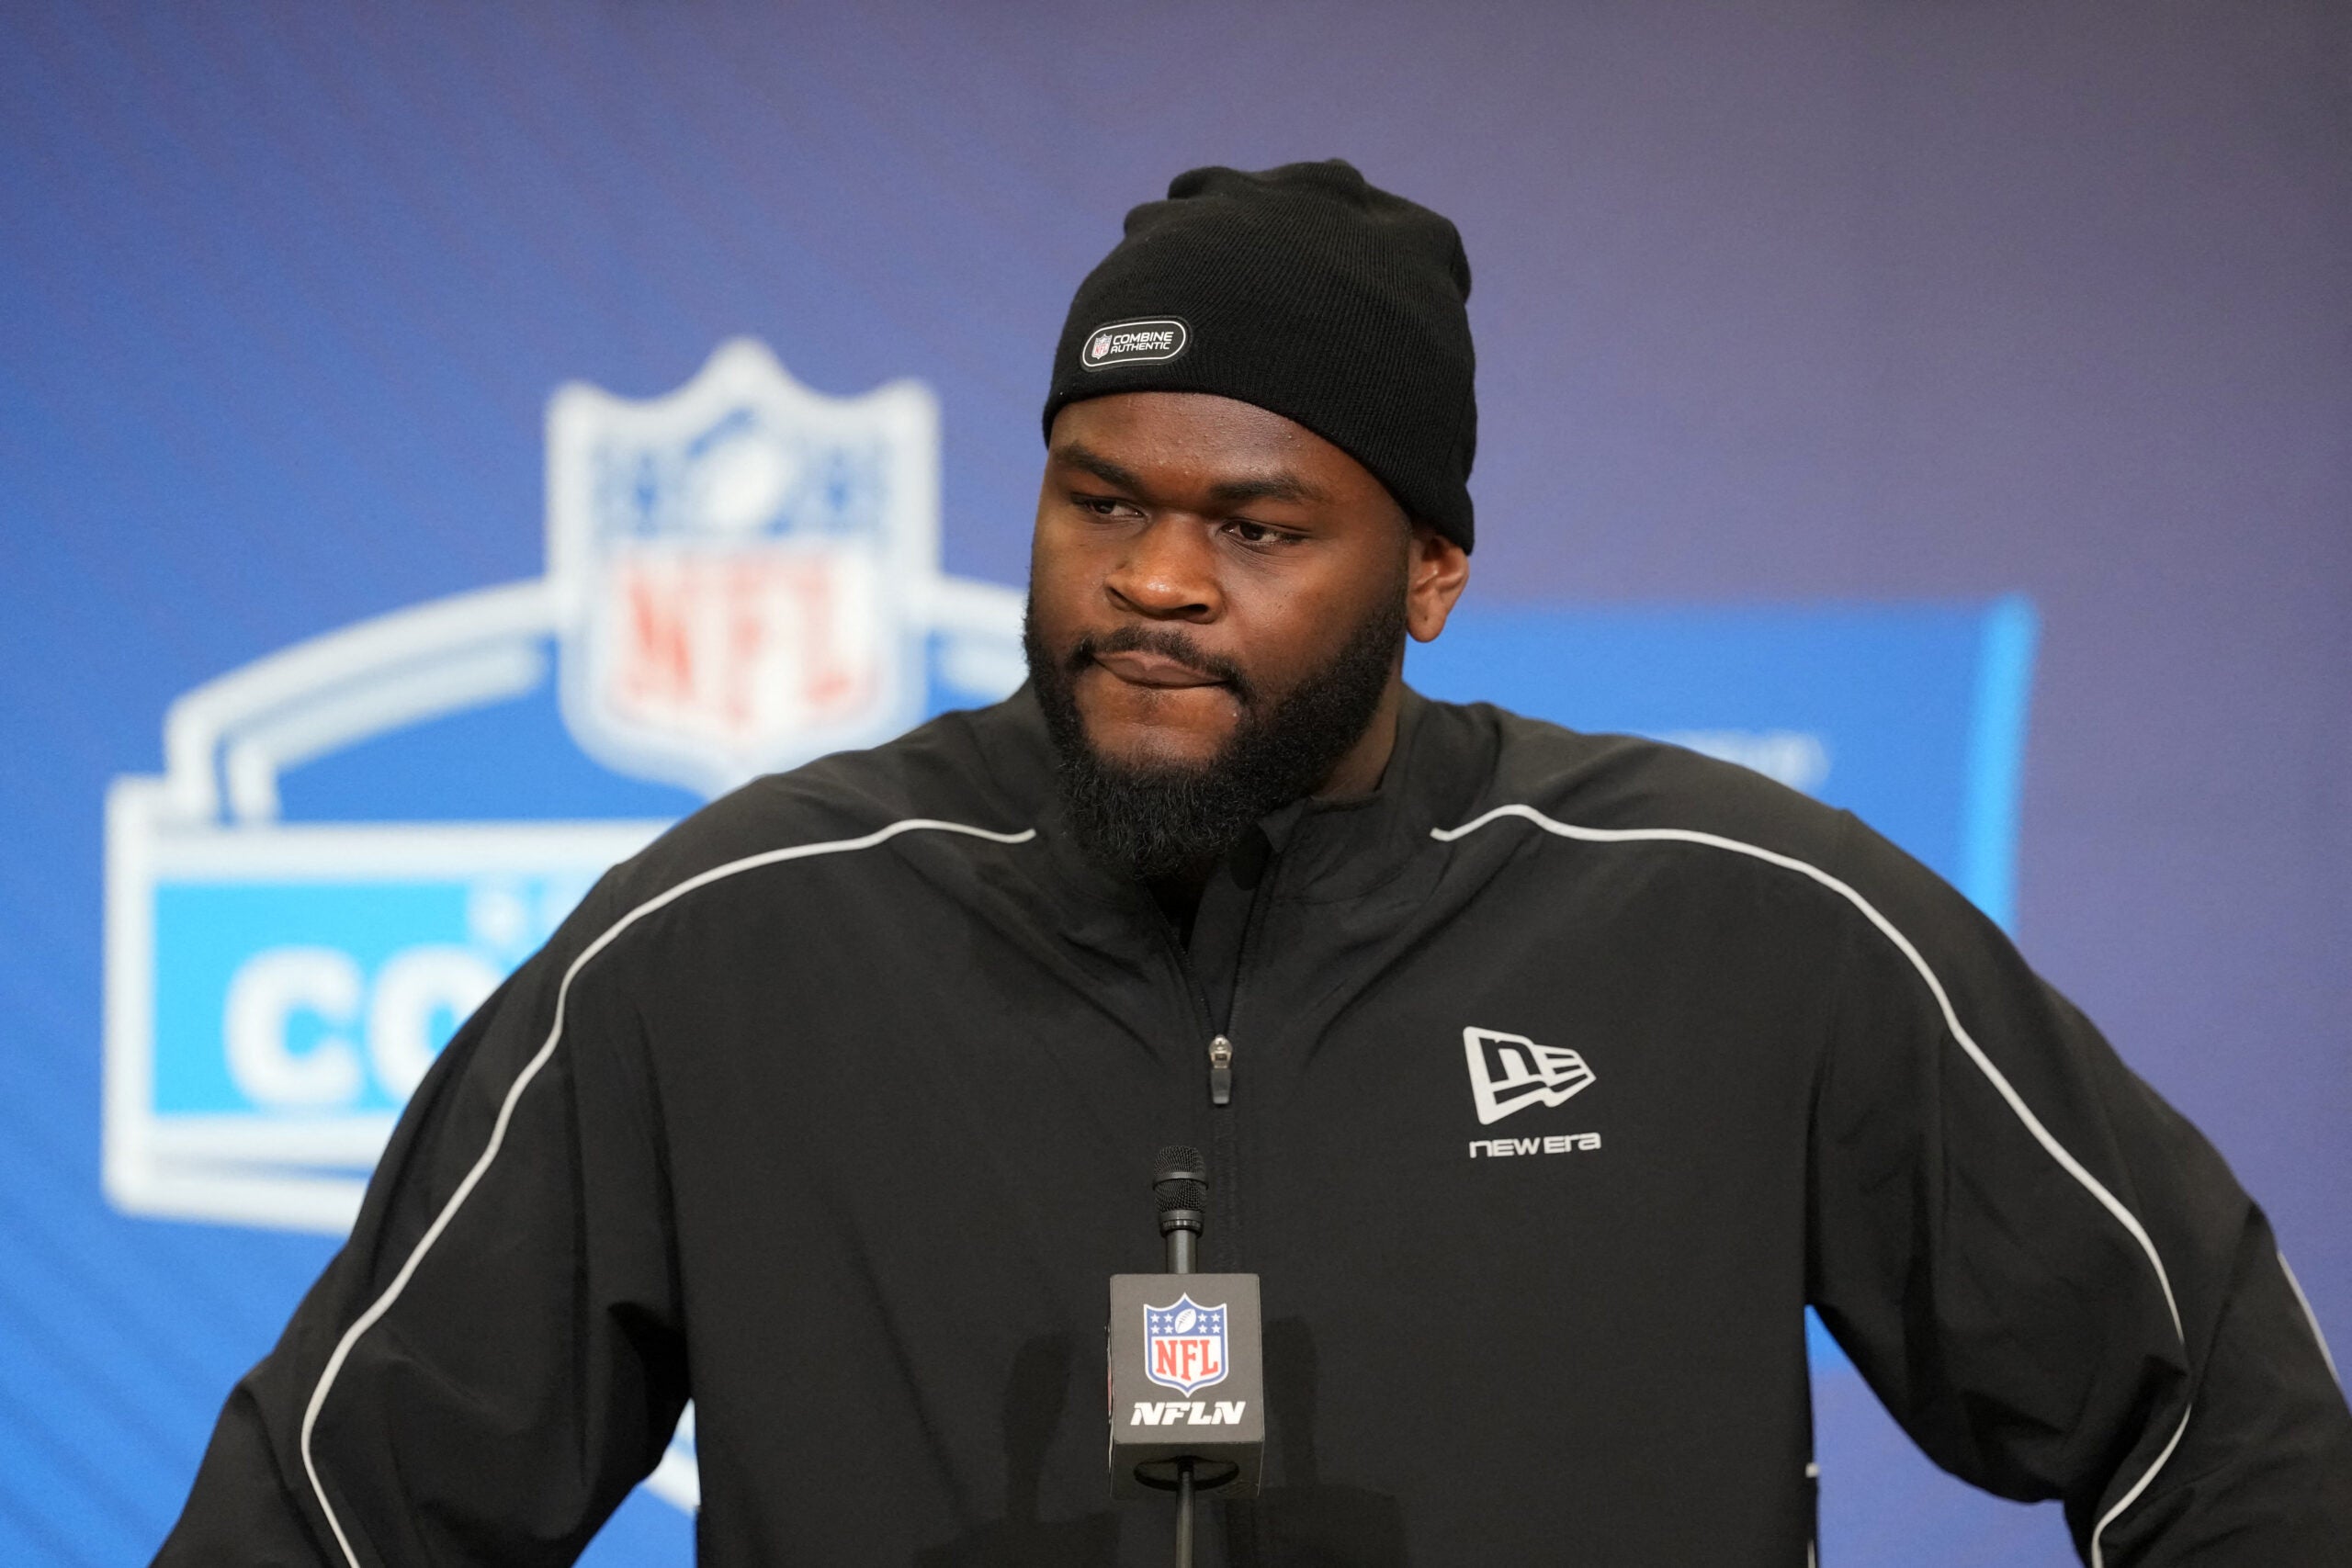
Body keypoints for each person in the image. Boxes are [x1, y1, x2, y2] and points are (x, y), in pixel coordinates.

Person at [156, 160, 2349, 1567]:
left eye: (1255, 525)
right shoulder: (727, 942)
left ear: (1434, 574)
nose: (1155, 580)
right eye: (1099, 500)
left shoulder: (1739, 921)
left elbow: (2222, 1422)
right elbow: (327, 1516)